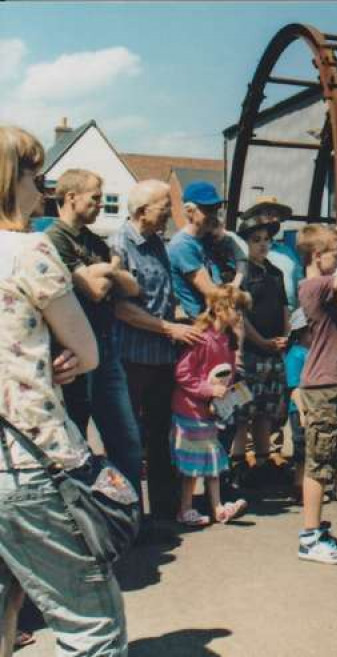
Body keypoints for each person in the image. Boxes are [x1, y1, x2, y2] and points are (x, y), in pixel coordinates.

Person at [0, 125, 127, 655]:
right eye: (37, 174)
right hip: (32, 456)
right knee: (91, 623)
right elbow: (88, 351)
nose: (43, 187)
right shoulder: (30, 250)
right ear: (13, 179)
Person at [46, 168, 145, 494]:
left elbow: (131, 287)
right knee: (76, 439)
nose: (100, 205)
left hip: (107, 349)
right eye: (95, 198)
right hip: (72, 353)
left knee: (125, 438)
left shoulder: (94, 242)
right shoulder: (55, 238)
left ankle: (130, 518)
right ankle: (85, 519)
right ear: (71, 197)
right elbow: (93, 289)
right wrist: (111, 269)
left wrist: (108, 270)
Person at [109, 179, 204, 520]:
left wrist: (186, 323)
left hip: (162, 359)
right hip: (133, 361)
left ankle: (164, 514)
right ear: (142, 210)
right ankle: (131, 518)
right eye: (164, 207)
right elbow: (120, 307)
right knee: (131, 442)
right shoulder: (120, 244)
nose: (169, 213)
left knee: (160, 440)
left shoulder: (157, 243)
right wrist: (168, 328)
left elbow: (164, 298)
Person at [294, 224, 337, 564]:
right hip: (322, 384)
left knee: (326, 458)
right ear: (317, 256)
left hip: (333, 381)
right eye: (336, 253)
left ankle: (317, 531)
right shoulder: (313, 286)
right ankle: (310, 536)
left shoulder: (323, 285)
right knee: (319, 462)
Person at [170, 285, 250, 526]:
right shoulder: (203, 339)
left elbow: (228, 375)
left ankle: (217, 508)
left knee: (213, 460)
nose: (239, 316)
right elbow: (183, 373)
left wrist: (226, 396)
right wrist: (209, 390)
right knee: (192, 465)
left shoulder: (227, 341)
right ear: (219, 308)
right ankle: (185, 508)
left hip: (210, 412)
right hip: (190, 411)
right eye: (236, 309)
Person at [232, 214, 289, 471]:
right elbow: (240, 315)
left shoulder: (275, 273)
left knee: (267, 410)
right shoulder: (241, 272)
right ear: (245, 242)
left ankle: (264, 460)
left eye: (267, 240)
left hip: (274, 352)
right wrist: (260, 341)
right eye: (256, 240)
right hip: (252, 351)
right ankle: (238, 462)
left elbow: (284, 307)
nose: (263, 245)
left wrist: (285, 336)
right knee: (244, 411)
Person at [235, 196, 303, 311]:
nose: (274, 218)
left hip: (290, 317)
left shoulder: (287, 251)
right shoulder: (242, 251)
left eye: (277, 215)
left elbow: (300, 282)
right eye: (268, 213)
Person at [167, 181, 224, 319]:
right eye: (208, 210)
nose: (214, 215)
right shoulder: (183, 245)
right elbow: (211, 291)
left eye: (216, 209)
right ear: (189, 211)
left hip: (214, 321)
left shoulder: (207, 239)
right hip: (197, 326)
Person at [284, 308, 310, 501]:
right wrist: (302, 411)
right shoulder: (295, 354)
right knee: (301, 449)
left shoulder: (312, 351)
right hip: (300, 407)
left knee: (311, 450)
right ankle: (299, 486)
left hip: (313, 407)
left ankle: (306, 486)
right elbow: (294, 388)